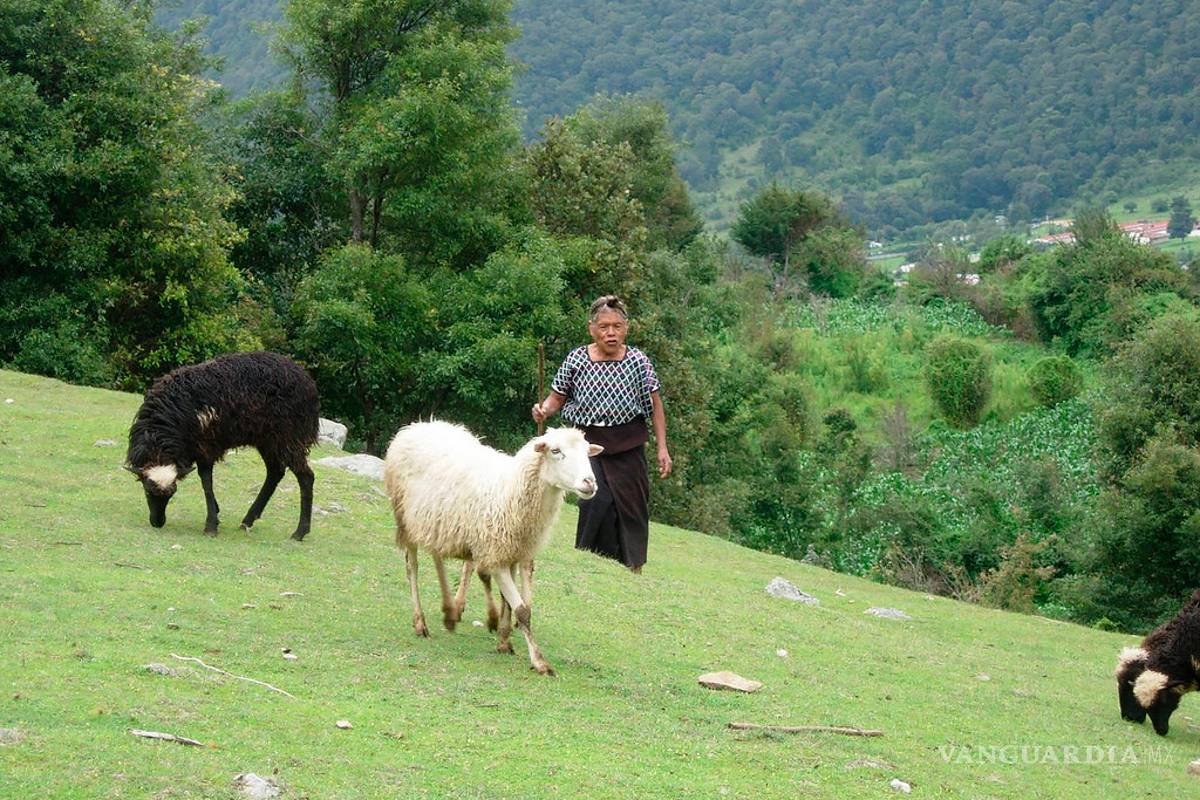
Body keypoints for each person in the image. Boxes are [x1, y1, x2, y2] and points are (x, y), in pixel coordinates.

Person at [531, 295, 672, 573]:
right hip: (587, 445)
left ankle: (633, 568)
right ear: (592, 328)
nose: (611, 333)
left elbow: (655, 405)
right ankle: (590, 564)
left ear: (626, 328)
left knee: (632, 507)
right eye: (604, 327)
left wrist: (662, 448)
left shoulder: (638, 362)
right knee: (596, 501)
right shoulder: (576, 360)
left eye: (617, 327)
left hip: (628, 445)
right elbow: (556, 398)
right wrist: (543, 410)